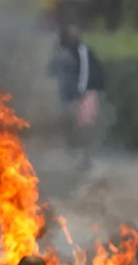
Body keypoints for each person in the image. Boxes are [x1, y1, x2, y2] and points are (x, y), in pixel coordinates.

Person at [47, 24, 105, 171]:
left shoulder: (82, 50)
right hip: (71, 95)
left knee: (84, 126)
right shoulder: (64, 52)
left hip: (85, 94)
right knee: (71, 125)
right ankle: (75, 156)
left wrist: (82, 91)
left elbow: (86, 71)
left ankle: (85, 158)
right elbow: (52, 71)